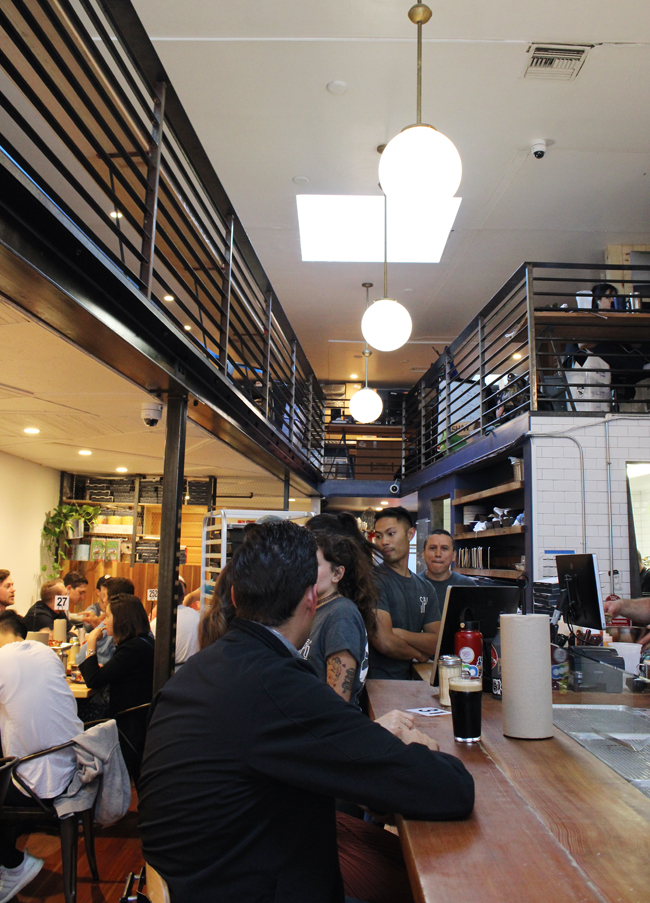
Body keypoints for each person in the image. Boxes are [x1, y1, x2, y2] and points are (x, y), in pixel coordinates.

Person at [138, 522, 474, 903]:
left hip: (201, 879)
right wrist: (410, 744)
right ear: (311, 600)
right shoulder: (276, 685)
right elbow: (451, 790)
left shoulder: (202, 670)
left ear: (233, 594)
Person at [0, 610, 83, 901]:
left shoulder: (2, 660)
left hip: (40, 779)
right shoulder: (46, 653)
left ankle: (13, 863)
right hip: (72, 763)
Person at [79, 593, 154, 781]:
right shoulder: (142, 641)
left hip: (127, 722)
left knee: (77, 720)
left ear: (121, 619)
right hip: (138, 718)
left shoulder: (132, 648)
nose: (105, 620)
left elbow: (94, 680)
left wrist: (91, 641)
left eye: (108, 616)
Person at [300, 530, 375, 706]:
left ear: (337, 574)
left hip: (326, 728)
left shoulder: (341, 615)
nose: (305, 570)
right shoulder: (314, 608)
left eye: (314, 565)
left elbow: (338, 701)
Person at [368, 507, 441, 680]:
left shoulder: (425, 587)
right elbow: (385, 642)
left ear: (410, 534)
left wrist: (400, 634)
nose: (384, 541)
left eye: (391, 534)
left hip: (415, 683)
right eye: (378, 536)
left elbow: (437, 642)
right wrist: (419, 654)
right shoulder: (373, 580)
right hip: (380, 685)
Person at [76, 576, 134, 665]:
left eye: (105, 597)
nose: (103, 600)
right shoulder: (136, 623)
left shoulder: (115, 624)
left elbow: (80, 660)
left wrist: (92, 638)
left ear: (115, 601)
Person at [419, 530, 476, 605]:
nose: (438, 554)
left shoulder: (467, 586)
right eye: (433, 548)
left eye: (444, 548)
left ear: (453, 555)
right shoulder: (413, 585)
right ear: (424, 554)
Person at [151, 581, 200, 667]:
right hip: (195, 670)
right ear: (183, 596)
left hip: (168, 674)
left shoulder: (155, 624)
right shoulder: (198, 617)